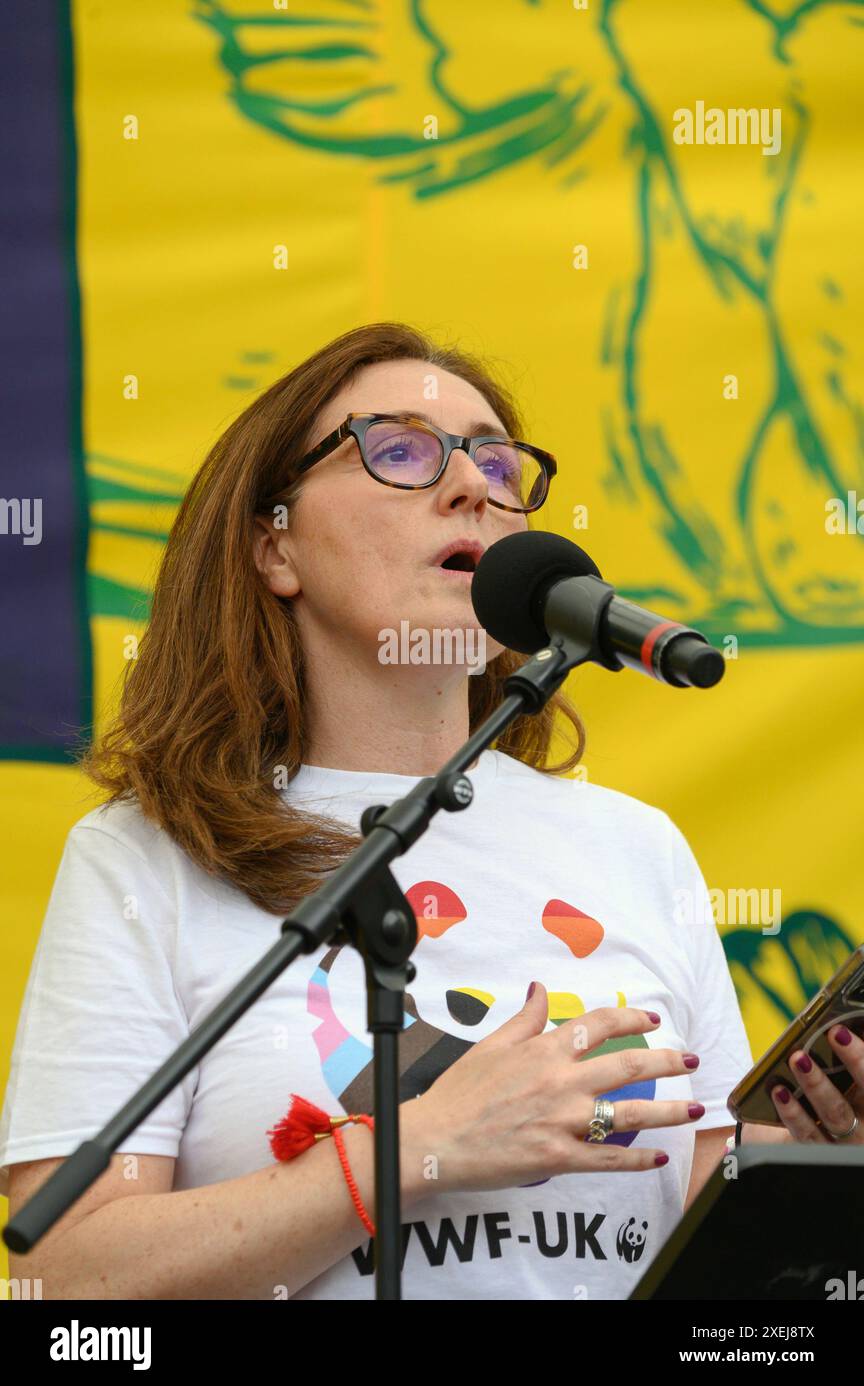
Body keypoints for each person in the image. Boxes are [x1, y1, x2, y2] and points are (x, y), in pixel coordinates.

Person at [2, 323, 860, 1302]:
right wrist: (423, 1148)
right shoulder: (146, 860)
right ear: (272, 544)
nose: (471, 487)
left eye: (495, 461)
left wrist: (821, 1165)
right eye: (401, 451)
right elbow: (61, 1281)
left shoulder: (635, 847)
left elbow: (718, 1266)